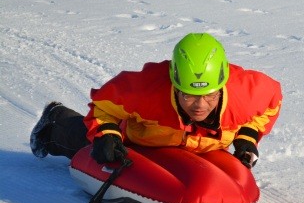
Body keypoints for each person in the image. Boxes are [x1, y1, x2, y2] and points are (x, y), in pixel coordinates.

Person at [30, 33, 282, 170]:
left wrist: (247, 136)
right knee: (95, 147)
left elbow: (273, 101)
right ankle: (55, 122)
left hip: (206, 146)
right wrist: (107, 134)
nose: (200, 106)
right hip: (146, 138)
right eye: (188, 95)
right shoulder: (146, 89)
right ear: (174, 83)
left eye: (209, 96)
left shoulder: (247, 92)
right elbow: (103, 105)